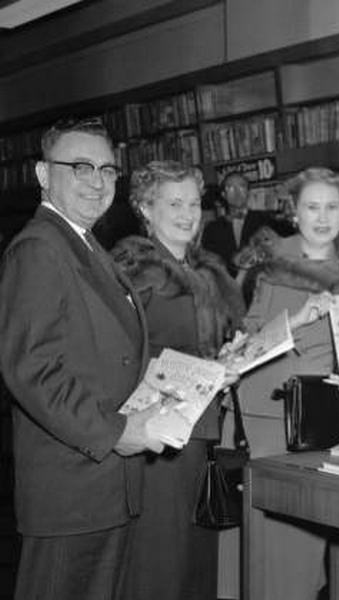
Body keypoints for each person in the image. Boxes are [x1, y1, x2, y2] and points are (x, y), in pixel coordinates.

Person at [0, 117, 165, 600]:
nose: (97, 181)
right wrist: (117, 432)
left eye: (108, 169)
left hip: (103, 484)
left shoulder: (85, 243)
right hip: (72, 488)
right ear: (43, 175)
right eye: (80, 166)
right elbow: (32, 370)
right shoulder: (38, 249)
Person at [217, 166, 339, 600]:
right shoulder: (268, 261)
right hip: (262, 414)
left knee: (304, 549)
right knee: (251, 546)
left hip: (318, 422)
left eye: (331, 206)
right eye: (311, 207)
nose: (321, 217)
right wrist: (298, 317)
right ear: (293, 212)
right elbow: (244, 341)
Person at [111, 160, 246, 600]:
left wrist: (226, 359)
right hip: (157, 430)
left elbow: (202, 344)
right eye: (174, 203)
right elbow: (118, 357)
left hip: (201, 429)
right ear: (146, 209)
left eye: (193, 202)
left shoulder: (207, 272)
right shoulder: (134, 273)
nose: (188, 213)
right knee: (160, 557)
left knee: (196, 554)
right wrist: (199, 371)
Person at [202, 172, 278, 277]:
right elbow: (209, 264)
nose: (237, 192)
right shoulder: (212, 229)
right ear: (224, 194)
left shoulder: (266, 220)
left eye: (242, 187)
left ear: (248, 192)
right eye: (231, 188)